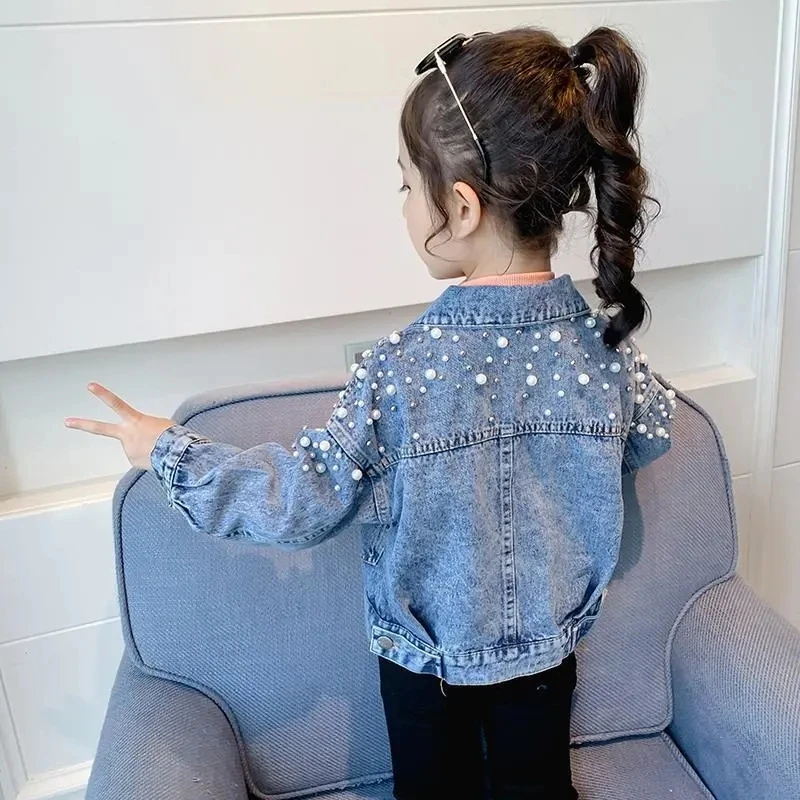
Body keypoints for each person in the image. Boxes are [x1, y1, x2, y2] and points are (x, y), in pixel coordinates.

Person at [66, 26, 675, 800]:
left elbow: (297, 500)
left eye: (405, 185)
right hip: (546, 662)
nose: (404, 205)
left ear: (460, 207)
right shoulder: (603, 352)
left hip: (425, 674)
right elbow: (653, 433)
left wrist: (168, 450)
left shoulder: (399, 373)